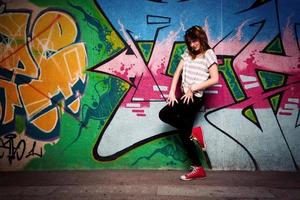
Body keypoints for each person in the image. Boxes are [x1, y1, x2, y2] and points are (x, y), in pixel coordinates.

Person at [159, 25, 219, 181]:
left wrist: (192, 88)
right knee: (166, 115)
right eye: (190, 42)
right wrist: (172, 92)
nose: (192, 45)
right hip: (186, 96)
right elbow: (177, 72)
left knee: (183, 132)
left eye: (195, 41)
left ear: (201, 38)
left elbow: (214, 78)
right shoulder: (187, 53)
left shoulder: (209, 54)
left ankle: (197, 168)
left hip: (195, 97)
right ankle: (194, 136)